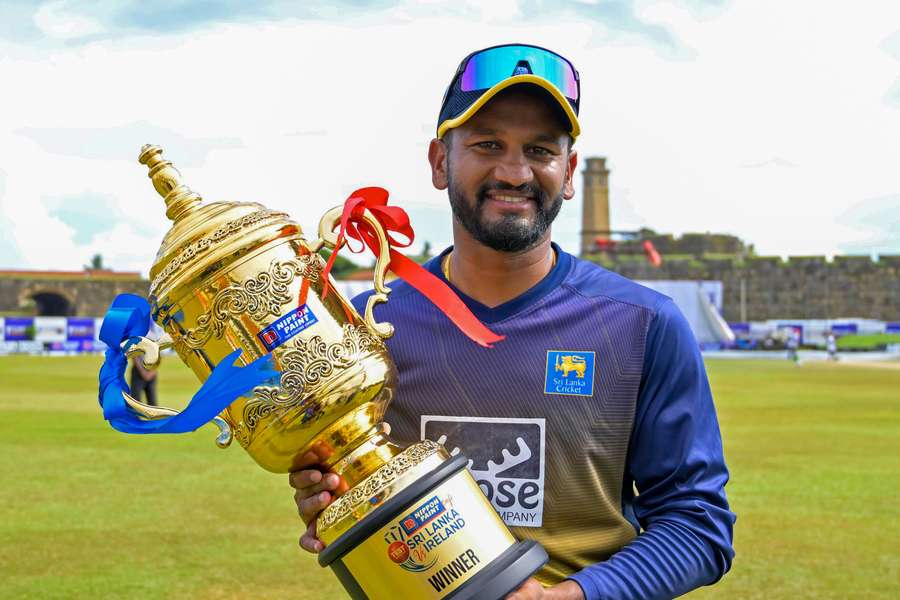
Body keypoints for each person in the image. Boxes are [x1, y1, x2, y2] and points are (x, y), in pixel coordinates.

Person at [290, 43, 735, 599]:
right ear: (439, 161)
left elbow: (699, 524)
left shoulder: (642, 325)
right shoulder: (366, 330)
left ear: (569, 171)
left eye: (541, 150)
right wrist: (332, 495)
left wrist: (571, 598)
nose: (514, 171)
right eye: (487, 144)